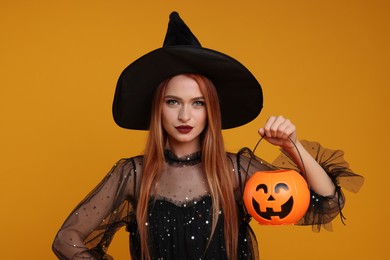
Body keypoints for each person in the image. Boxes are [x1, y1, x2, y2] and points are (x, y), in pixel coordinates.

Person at [52, 12, 363, 260]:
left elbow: (327, 203)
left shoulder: (236, 171)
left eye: (197, 103)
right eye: (173, 102)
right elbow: (66, 239)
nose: (185, 116)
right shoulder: (134, 174)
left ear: (211, 111)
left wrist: (292, 146)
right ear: (157, 109)